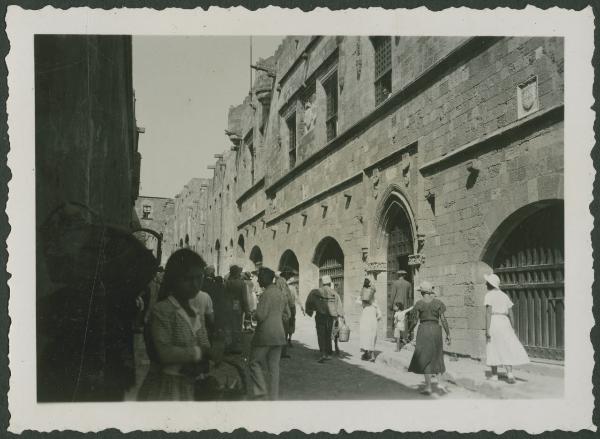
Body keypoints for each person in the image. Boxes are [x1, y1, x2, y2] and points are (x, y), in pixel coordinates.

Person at [137, 249, 208, 401]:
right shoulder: (163, 310)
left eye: (199, 278)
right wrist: (200, 353)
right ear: (174, 280)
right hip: (167, 387)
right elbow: (165, 353)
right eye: (188, 279)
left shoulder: (195, 311)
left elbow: (204, 345)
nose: (195, 284)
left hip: (192, 386)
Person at [248, 267, 290, 400]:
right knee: (274, 368)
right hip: (279, 334)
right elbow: (287, 315)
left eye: (260, 277)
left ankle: (260, 390)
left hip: (265, 335)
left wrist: (253, 314)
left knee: (253, 362)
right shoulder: (281, 294)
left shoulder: (266, 294)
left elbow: (260, 316)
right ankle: (273, 397)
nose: (258, 280)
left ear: (266, 278)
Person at [407, 281, 451, 396]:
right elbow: (443, 319)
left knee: (425, 357)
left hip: (424, 330)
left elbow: (415, 320)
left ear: (422, 292)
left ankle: (428, 387)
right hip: (436, 329)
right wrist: (448, 334)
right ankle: (440, 383)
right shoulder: (438, 303)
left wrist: (409, 331)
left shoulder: (419, 304)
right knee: (437, 355)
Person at [484, 273, 529, 383]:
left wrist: (487, 329)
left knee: (492, 346)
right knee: (506, 346)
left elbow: (488, 313)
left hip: (494, 321)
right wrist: (512, 327)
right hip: (505, 322)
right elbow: (511, 313)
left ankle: (494, 375)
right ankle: (510, 374)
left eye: (487, 282)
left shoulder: (488, 295)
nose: (486, 284)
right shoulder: (504, 295)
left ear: (490, 284)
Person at [305, 275, 344, 363]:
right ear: (330, 283)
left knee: (321, 334)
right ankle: (329, 352)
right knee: (329, 333)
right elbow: (339, 307)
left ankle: (323, 353)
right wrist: (341, 316)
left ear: (322, 283)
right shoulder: (335, 293)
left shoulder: (315, 292)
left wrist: (310, 311)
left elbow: (309, 302)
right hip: (330, 317)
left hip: (320, 316)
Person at [224, 265, 249, 353]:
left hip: (227, 306)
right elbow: (245, 299)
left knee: (228, 327)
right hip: (237, 306)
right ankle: (236, 346)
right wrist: (247, 311)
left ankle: (228, 345)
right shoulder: (242, 283)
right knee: (237, 326)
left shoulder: (227, 282)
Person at [275, 273, 295, 359]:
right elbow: (289, 300)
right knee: (283, 332)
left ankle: (279, 352)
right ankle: (282, 352)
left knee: (279, 332)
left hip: (278, 313)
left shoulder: (275, 286)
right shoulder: (283, 285)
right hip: (284, 313)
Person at [359, 293, 381, 361]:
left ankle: (366, 354)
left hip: (365, 323)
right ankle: (371, 355)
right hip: (372, 323)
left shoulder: (365, 305)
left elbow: (357, 301)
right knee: (372, 338)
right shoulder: (375, 304)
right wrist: (376, 319)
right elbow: (379, 315)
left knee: (365, 337)